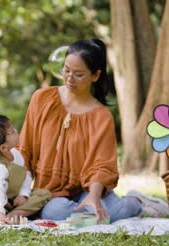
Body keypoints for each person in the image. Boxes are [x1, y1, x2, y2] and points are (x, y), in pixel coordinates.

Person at [18, 38, 169, 223]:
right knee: (52, 213)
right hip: (50, 193)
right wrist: (20, 192)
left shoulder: (101, 116)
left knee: (114, 212)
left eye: (79, 74)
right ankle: (91, 213)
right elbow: (24, 149)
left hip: (88, 189)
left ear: (95, 76)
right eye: (66, 70)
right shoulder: (42, 99)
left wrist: (94, 196)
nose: (69, 79)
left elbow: (103, 165)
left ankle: (136, 202)